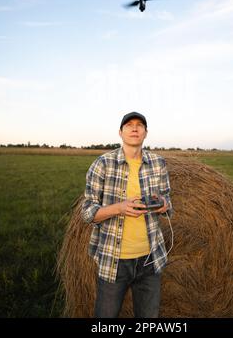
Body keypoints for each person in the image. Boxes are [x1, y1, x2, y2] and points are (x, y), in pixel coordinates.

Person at [81, 111, 173, 318]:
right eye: (129, 125)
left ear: (145, 133)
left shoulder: (158, 163)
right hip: (114, 259)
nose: (134, 128)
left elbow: (168, 201)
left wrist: (164, 204)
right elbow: (87, 213)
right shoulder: (102, 164)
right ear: (120, 132)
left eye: (139, 125)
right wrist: (119, 208)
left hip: (150, 259)